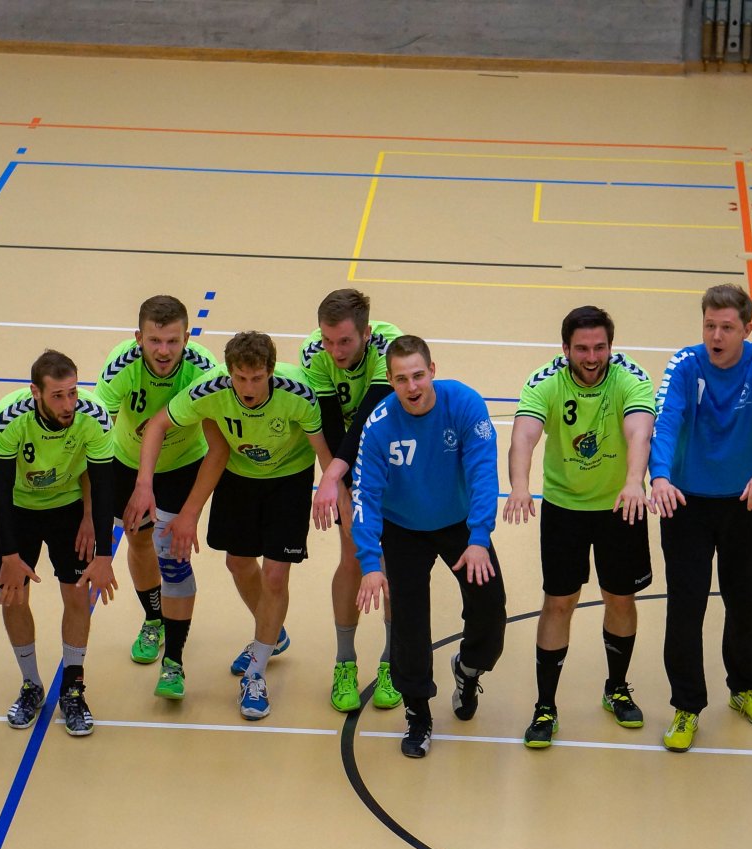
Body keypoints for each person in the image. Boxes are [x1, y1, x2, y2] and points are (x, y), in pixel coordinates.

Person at [127, 330, 332, 721]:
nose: (248, 388)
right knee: (237, 563)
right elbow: (157, 424)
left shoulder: (298, 392)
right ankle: (273, 634)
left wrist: (330, 489)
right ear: (229, 372)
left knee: (275, 576)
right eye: (240, 378)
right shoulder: (211, 388)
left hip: (289, 478)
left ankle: (255, 673)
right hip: (239, 476)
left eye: (257, 378)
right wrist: (146, 485)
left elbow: (323, 451)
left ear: (271, 371)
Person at [343, 335, 507, 759]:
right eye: (401, 379)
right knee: (409, 621)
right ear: (390, 380)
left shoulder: (464, 404)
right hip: (403, 528)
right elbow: (365, 496)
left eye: (418, 375)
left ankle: (468, 668)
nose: (412, 387)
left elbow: (483, 472)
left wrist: (479, 538)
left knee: (490, 607)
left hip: (459, 523)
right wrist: (370, 563)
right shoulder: (379, 425)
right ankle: (418, 712)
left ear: (432, 370)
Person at [503, 306, 656, 750]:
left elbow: (640, 432)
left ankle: (617, 688)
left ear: (611, 345)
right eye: (582, 349)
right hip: (564, 506)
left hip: (619, 505)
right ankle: (545, 706)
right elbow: (523, 436)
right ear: (565, 348)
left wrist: (634, 482)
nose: (592, 357)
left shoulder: (630, 377)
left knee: (620, 598)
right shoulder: (545, 381)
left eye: (600, 347)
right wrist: (519, 486)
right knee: (559, 602)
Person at [648, 285, 752, 752]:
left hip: (747, 499)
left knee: (745, 601)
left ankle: (743, 687)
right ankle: (686, 705)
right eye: (709, 325)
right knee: (686, 606)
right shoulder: (684, 364)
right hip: (685, 501)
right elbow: (666, 419)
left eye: (727, 327)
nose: (716, 336)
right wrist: (659, 476)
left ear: (747, 329)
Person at [0, 349, 118, 736]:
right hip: (19, 509)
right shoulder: (8, 419)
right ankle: (31, 685)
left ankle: (72, 689)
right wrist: (9, 554)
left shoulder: (94, 417)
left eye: (72, 393)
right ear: (36, 393)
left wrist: (103, 552)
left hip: (68, 506)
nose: (68, 404)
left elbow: (104, 485)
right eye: (58, 396)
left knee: (77, 595)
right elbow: (1, 493)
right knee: (13, 596)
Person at [96, 295, 217, 700]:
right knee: (139, 539)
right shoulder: (120, 366)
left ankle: (174, 661)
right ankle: (154, 619)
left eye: (172, 341)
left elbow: (219, 437)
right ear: (138, 339)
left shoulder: (203, 369)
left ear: (187, 338)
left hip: (184, 462)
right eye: (154, 341)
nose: (163, 351)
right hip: (128, 461)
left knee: (173, 553)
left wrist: (193, 510)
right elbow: (98, 429)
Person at [301, 289, 403, 713]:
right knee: (353, 557)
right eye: (328, 340)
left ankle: (393, 661)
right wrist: (339, 485)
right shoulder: (315, 353)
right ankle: (345, 661)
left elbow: (369, 418)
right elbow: (328, 424)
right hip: (344, 455)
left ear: (365, 332)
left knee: (392, 560)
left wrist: (339, 477)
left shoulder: (389, 345)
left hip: (392, 451)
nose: (335, 350)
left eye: (344, 341)